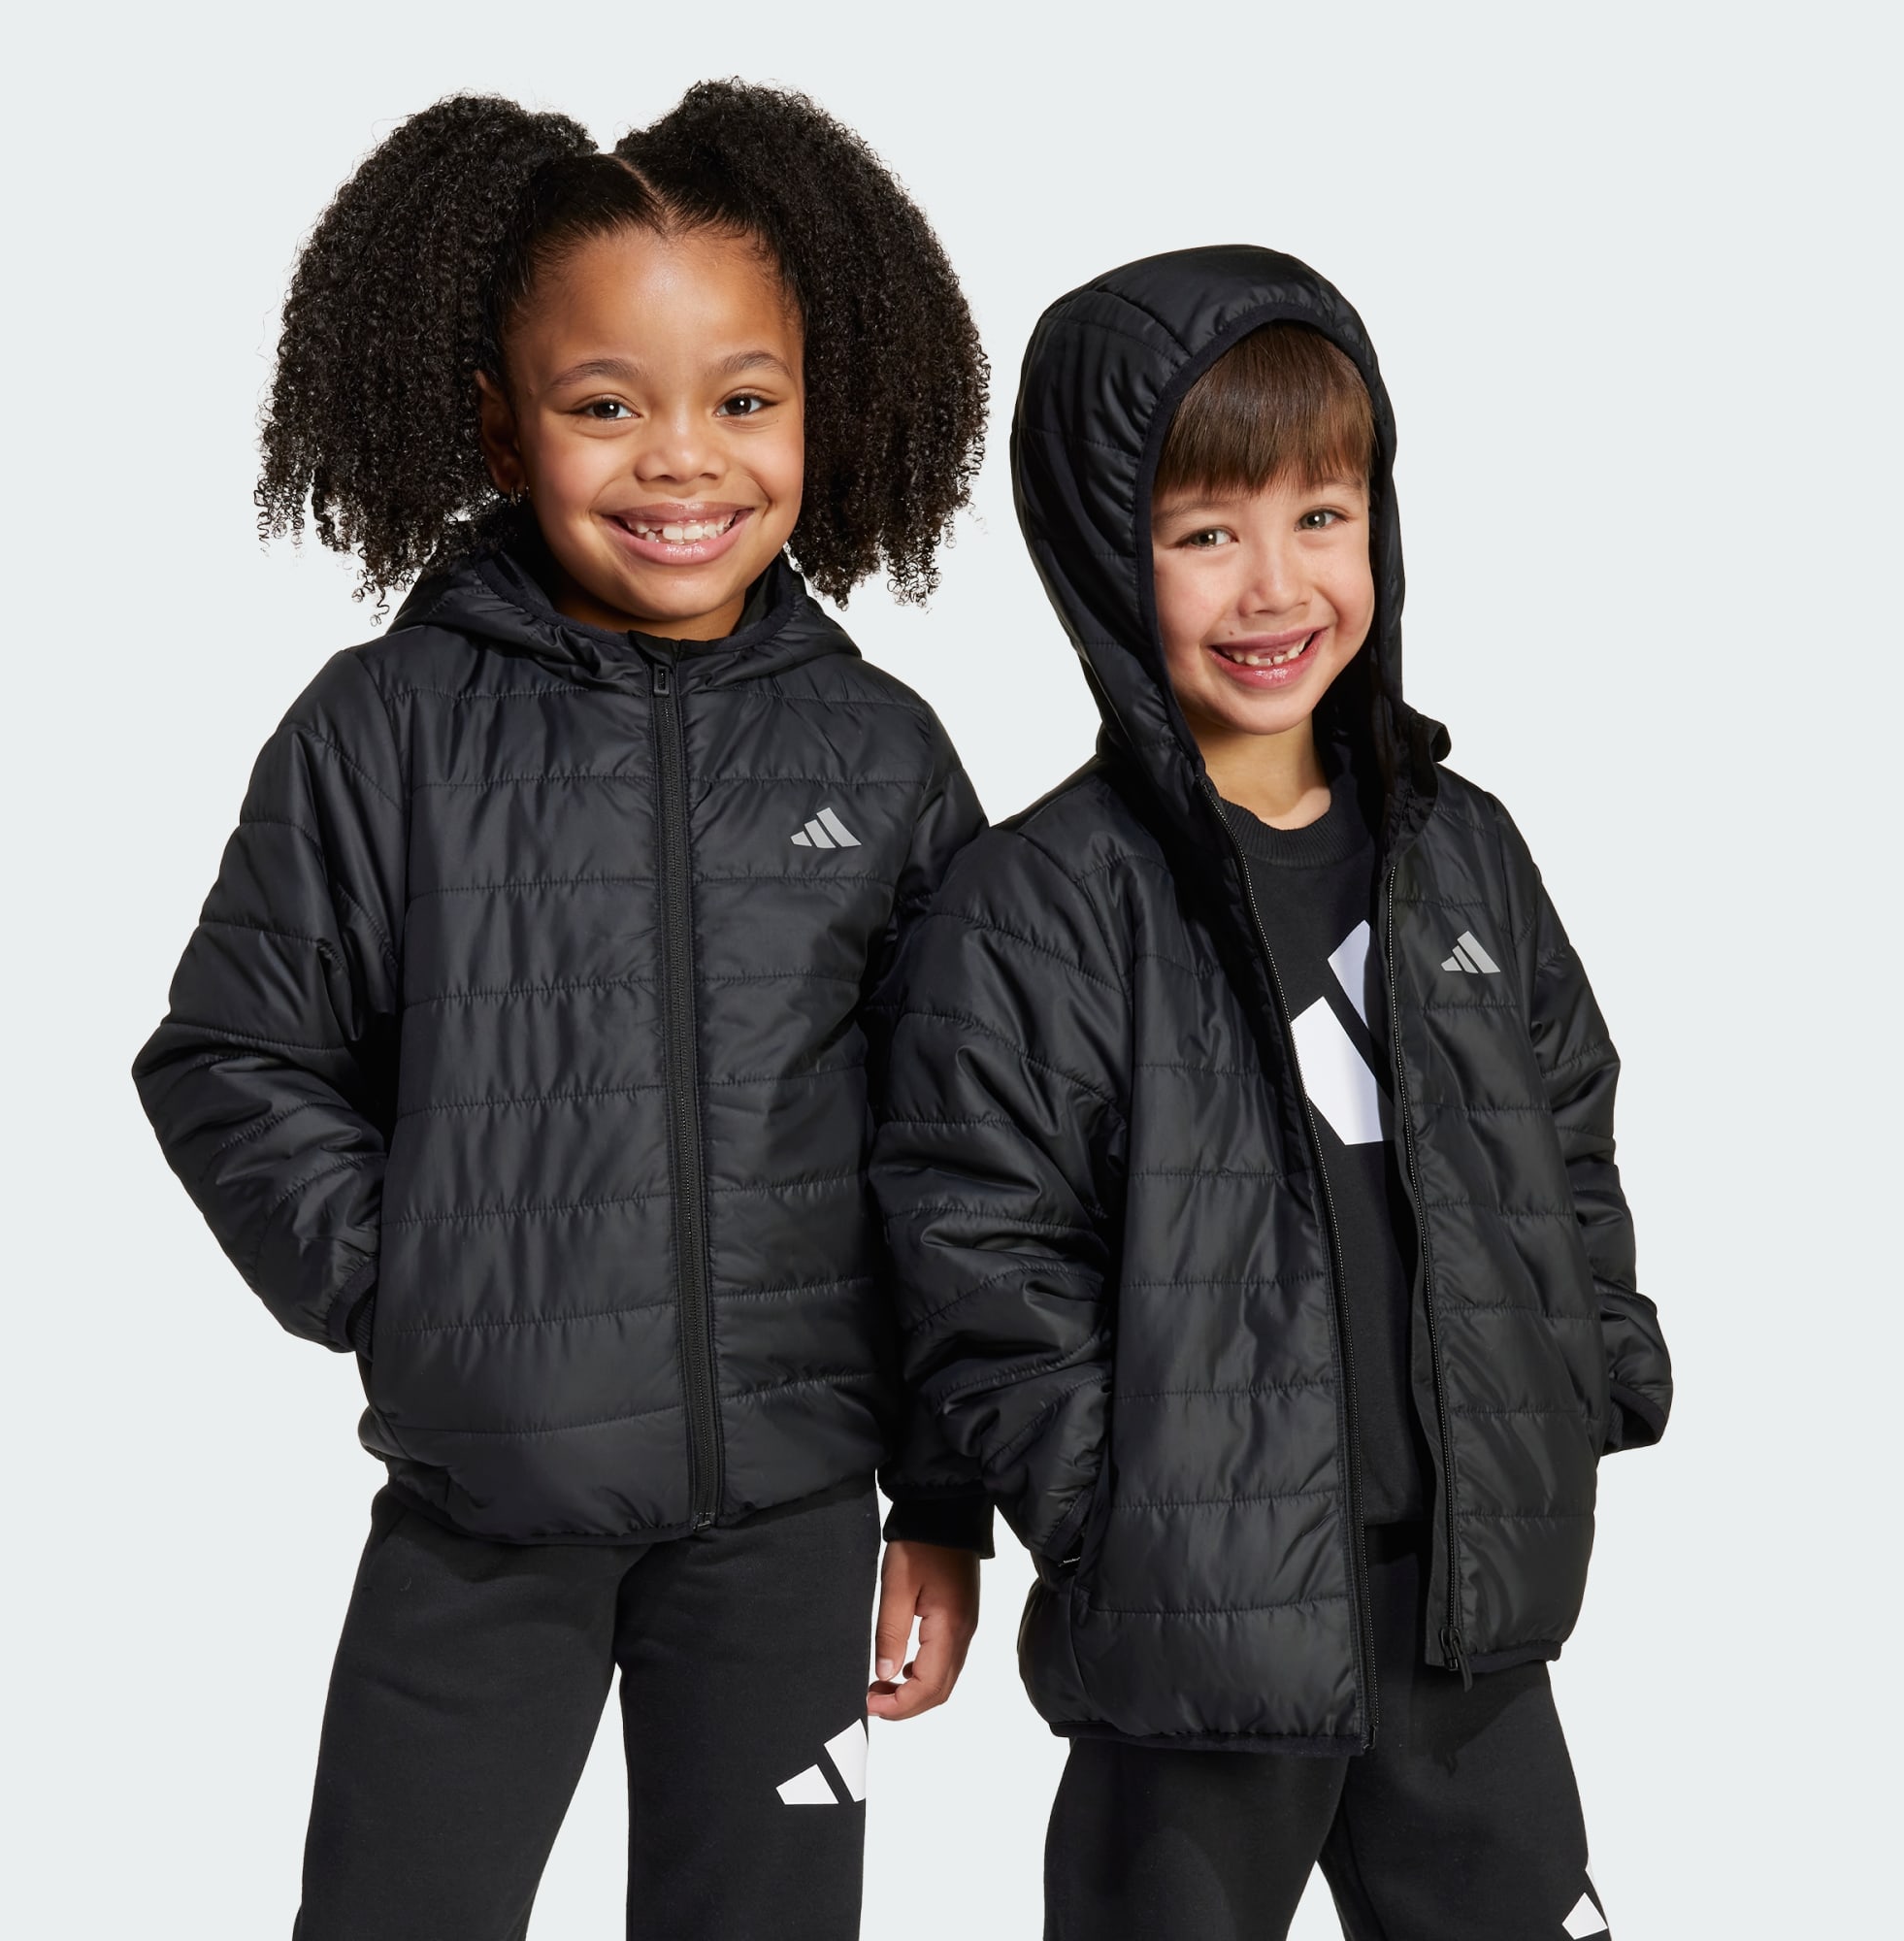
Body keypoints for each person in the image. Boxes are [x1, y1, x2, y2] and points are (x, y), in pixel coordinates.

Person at [133, 84, 990, 1941]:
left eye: (743, 401)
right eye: (606, 405)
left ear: (823, 411)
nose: (682, 461)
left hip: (788, 1525)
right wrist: (418, 1288)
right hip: (482, 1520)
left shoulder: (882, 753)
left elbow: (962, 1154)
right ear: (497, 423)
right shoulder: (385, 731)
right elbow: (229, 1057)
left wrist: (943, 1495)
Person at [869, 247, 1673, 1940]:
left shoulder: (1462, 851)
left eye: (1321, 514)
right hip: (1194, 1638)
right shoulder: (1039, 904)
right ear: (1106, 556)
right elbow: (971, 1242)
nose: (1274, 584)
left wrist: (1588, 1358)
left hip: (1464, 1613)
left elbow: (1567, 1121)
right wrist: (1108, 1499)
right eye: (1204, 533)